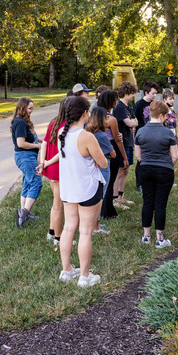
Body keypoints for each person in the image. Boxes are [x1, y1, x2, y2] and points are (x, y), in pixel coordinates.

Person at [57, 96, 108, 287]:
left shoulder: (61, 133)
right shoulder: (86, 136)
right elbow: (103, 163)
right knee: (85, 232)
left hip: (69, 188)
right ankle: (85, 277)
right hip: (87, 188)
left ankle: (67, 270)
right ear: (85, 113)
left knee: (68, 228)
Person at [135, 101, 178, 248]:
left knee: (147, 202)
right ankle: (160, 239)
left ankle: (146, 236)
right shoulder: (168, 133)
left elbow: (138, 156)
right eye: (166, 116)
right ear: (160, 115)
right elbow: (175, 157)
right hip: (164, 171)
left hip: (145, 170)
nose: (166, 118)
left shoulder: (140, 131)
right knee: (160, 204)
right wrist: (167, 166)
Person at [37, 98, 70, 244]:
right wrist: (47, 162)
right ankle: (58, 238)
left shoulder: (54, 122)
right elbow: (61, 150)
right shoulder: (65, 125)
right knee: (58, 205)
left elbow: (44, 143)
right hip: (57, 168)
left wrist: (42, 162)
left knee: (56, 203)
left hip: (50, 168)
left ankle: (51, 232)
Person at [11, 97, 42, 227]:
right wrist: (38, 147)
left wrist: (41, 141)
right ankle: (25, 213)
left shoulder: (23, 122)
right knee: (36, 182)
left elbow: (31, 139)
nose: (31, 111)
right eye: (30, 108)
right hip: (25, 157)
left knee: (27, 184)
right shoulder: (20, 123)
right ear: (22, 108)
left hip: (27, 156)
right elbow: (21, 143)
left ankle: (22, 213)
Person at [86, 106, 116, 234]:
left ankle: (91, 223)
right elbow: (113, 154)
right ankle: (96, 226)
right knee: (100, 196)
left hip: (90, 165)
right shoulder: (101, 135)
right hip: (103, 165)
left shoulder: (86, 131)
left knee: (91, 195)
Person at [97, 89, 126, 219]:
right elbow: (117, 140)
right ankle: (107, 210)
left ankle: (100, 207)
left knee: (101, 181)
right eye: (115, 99)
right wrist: (124, 157)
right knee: (110, 181)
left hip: (97, 149)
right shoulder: (111, 119)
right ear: (110, 101)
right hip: (111, 148)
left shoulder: (94, 116)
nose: (116, 102)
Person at [113, 81, 138, 209]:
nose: (134, 95)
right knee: (119, 170)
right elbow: (129, 123)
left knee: (126, 169)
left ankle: (121, 196)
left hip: (129, 142)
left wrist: (133, 122)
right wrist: (132, 122)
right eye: (132, 93)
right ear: (127, 93)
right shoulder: (119, 107)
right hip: (120, 143)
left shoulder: (129, 106)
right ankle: (115, 199)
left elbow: (135, 121)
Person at [133, 81, 160, 193]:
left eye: (155, 93)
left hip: (153, 135)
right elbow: (134, 121)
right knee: (141, 160)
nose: (154, 95)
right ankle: (139, 184)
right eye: (152, 93)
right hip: (142, 135)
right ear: (146, 92)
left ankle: (151, 181)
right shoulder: (138, 105)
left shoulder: (155, 104)